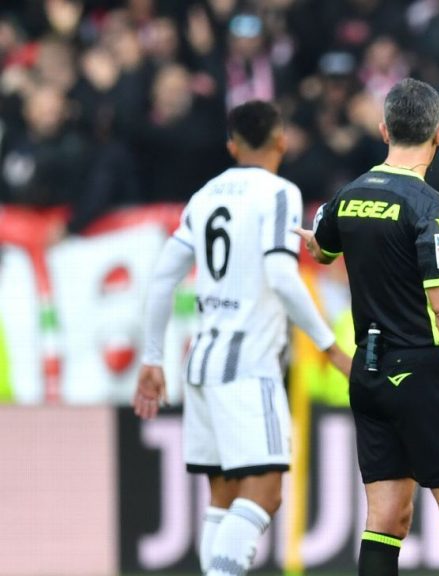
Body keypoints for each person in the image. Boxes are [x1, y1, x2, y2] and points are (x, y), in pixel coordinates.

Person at [132, 100, 351, 576]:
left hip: (201, 365)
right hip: (249, 367)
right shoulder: (280, 193)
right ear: (281, 141)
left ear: (232, 145)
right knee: (266, 494)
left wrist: (152, 358)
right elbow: (281, 275)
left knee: (224, 496)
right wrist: (332, 349)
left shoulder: (205, 195)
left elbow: (162, 278)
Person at [295, 78, 439, 576]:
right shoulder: (429, 206)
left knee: (386, 518)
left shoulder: (349, 195)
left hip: (369, 375)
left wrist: (314, 242)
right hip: (424, 373)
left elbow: (322, 248)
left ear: (384, 130)